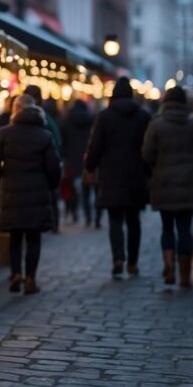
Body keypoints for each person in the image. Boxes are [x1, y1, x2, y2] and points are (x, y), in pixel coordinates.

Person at [0, 95, 61, 294]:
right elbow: (54, 167)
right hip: (37, 193)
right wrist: (51, 186)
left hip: (12, 192)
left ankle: (16, 273)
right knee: (33, 238)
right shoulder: (44, 135)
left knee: (15, 236)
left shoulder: (4, 133)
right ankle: (30, 278)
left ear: (16, 110)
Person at [85, 77, 150, 278]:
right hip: (136, 174)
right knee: (134, 221)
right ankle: (132, 262)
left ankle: (118, 259)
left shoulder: (105, 116)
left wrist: (90, 165)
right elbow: (148, 147)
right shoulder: (143, 116)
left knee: (115, 220)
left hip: (111, 174)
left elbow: (95, 145)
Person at [142, 86, 193, 287]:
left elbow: (146, 154)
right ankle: (185, 274)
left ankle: (169, 266)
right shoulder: (191, 125)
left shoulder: (156, 125)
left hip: (163, 183)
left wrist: (157, 167)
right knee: (184, 228)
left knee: (167, 228)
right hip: (189, 184)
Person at [24, 85, 63, 233]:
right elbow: (58, 144)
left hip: (25, 174)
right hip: (42, 171)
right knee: (48, 197)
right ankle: (52, 223)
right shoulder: (47, 120)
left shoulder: (13, 123)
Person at [60, 99, 95, 224]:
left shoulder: (66, 121)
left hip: (71, 159)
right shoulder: (91, 120)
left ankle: (74, 212)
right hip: (87, 157)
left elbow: (62, 141)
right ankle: (89, 216)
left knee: (72, 189)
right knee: (87, 188)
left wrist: (64, 156)